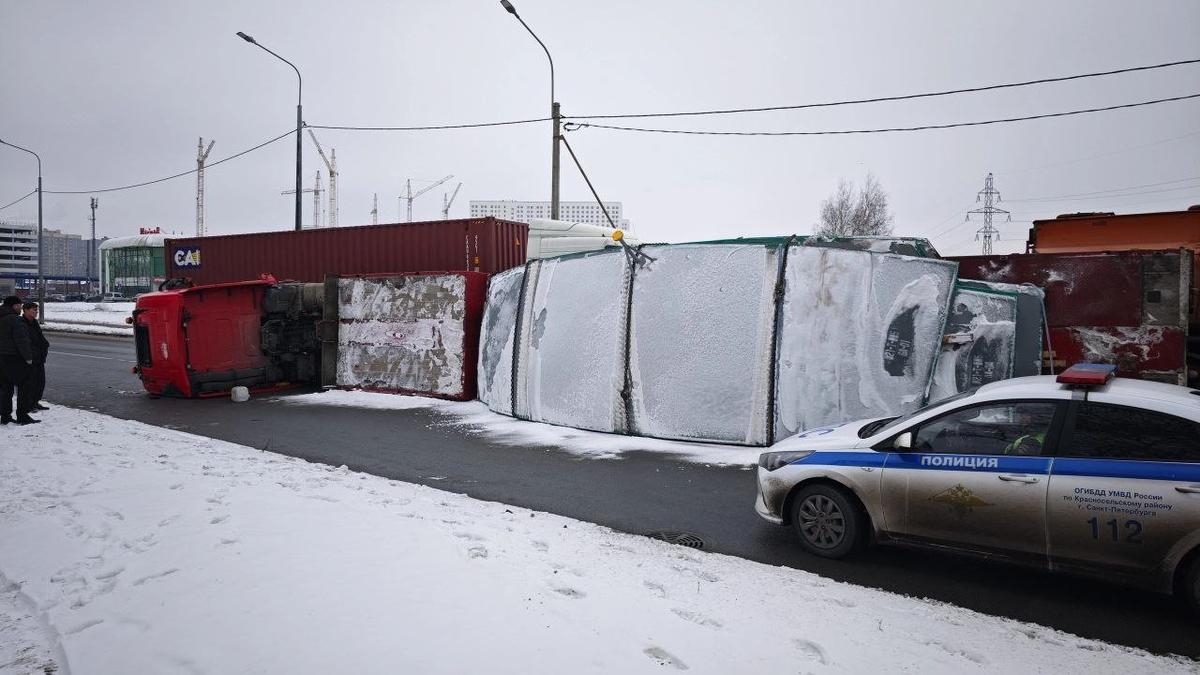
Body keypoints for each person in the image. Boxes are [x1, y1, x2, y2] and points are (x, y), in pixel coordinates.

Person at [0, 295, 38, 424]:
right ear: (14, 305)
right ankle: (22, 415)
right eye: (20, 305)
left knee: (5, 388)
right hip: (15, 358)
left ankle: (5, 416)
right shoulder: (15, 320)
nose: (21, 308)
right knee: (24, 386)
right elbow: (22, 341)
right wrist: (28, 358)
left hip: (1, 358)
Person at [22, 302, 50, 411]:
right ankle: (29, 404)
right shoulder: (22, 323)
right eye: (34, 310)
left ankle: (35, 401)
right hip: (30, 358)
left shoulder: (34, 322)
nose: (36, 312)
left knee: (40, 381)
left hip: (39, 357)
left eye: (37, 310)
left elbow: (40, 338)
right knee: (31, 382)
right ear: (26, 310)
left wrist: (45, 345)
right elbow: (25, 342)